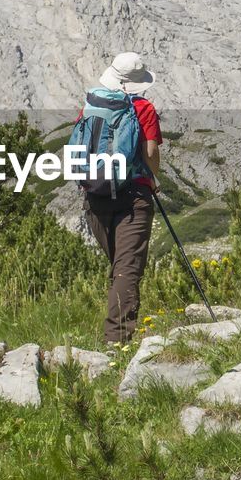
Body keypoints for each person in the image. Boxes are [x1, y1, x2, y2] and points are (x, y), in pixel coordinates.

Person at [82, 52, 162, 344]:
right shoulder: (143, 108)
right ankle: (117, 342)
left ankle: (116, 334)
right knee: (127, 270)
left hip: (96, 196)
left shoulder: (93, 105)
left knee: (119, 267)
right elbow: (150, 153)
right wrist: (155, 178)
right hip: (132, 197)